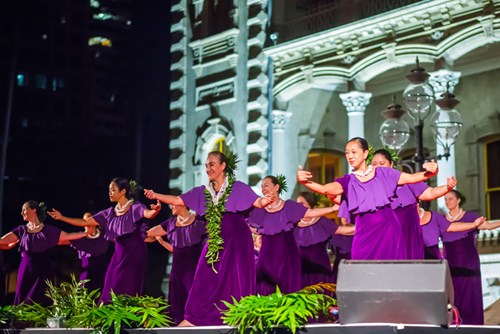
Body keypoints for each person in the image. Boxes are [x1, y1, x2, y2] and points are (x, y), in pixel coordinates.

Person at [144, 151, 273, 326]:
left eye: (212, 164)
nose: (208, 168)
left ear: (223, 166)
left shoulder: (237, 187)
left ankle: (235, 316)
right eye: (206, 165)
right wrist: (156, 195)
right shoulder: (202, 192)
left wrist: (266, 201)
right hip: (214, 239)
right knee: (205, 275)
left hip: (237, 240)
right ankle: (195, 317)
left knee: (235, 277)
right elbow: (177, 199)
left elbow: (257, 202)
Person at [296, 137, 438, 260]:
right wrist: (305, 182)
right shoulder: (348, 180)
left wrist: (431, 172)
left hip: (389, 229)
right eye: (347, 153)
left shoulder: (383, 173)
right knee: (362, 269)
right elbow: (324, 189)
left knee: (391, 271)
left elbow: (412, 178)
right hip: (364, 232)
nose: (349, 156)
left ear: (365, 153)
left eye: (354, 152)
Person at [48, 177, 161, 303]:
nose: (110, 192)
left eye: (113, 190)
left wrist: (155, 210)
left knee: (129, 286)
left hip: (135, 252)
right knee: (111, 284)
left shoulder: (135, 207)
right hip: (119, 253)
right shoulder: (109, 213)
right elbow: (86, 222)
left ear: (123, 191)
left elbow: (148, 213)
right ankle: (111, 316)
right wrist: (62, 217)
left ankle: (129, 317)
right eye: (109, 190)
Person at [247, 177, 337, 296]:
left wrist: (332, 208)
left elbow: (309, 213)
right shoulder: (259, 209)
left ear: (277, 187)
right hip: (268, 253)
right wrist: (255, 231)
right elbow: (247, 223)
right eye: (262, 186)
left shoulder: (289, 206)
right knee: (264, 284)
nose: (263, 188)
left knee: (289, 286)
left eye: (266, 185)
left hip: (287, 252)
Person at [0, 201, 90, 305]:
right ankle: (21, 321)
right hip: (25, 271)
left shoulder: (48, 230)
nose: (22, 213)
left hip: (43, 271)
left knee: (41, 299)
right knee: (23, 300)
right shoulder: (21, 230)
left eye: (24, 209)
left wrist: (85, 233)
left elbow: (68, 236)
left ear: (34, 210)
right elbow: (3, 240)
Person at [371, 148, 456, 259]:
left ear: (391, 165)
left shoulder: (408, 183)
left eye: (382, 163)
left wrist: (448, 187)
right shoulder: (370, 189)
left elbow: (430, 193)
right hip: (385, 241)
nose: (378, 167)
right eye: (374, 164)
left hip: (410, 238)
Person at [442, 190, 500, 325]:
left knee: (470, 293)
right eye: (445, 199)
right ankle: (455, 323)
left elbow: (489, 226)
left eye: (450, 199)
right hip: (451, 264)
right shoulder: (442, 220)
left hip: (469, 263)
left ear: (458, 200)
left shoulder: (470, 216)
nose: (447, 202)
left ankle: (473, 325)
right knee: (453, 294)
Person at [146, 204, 206, 325]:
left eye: (173, 204)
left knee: (193, 296)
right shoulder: (170, 223)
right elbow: (148, 235)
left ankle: (195, 323)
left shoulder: (199, 221)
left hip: (194, 269)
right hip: (178, 269)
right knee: (177, 298)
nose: (171, 207)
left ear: (183, 204)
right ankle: (177, 325)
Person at [293, 191, 354, 289]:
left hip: (321, 268)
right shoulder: (292, 224)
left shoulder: (322, 221)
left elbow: (341, 230)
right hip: (301, 269)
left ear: (310, 205)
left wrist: (363, 227)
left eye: (302, 203)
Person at [418, 203, 488, 260]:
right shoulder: (407, 221)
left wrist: (473, 224)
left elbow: (451, 226)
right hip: (410, 263)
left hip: (432, 262)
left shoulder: (434, 217)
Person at [63, 212, 110, 292]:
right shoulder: (79, 238)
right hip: (86, 277)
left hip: (103, 275)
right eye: (84, 220)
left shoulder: (105, 235)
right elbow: (61, 240)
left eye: (89, 220)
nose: (87, 222)